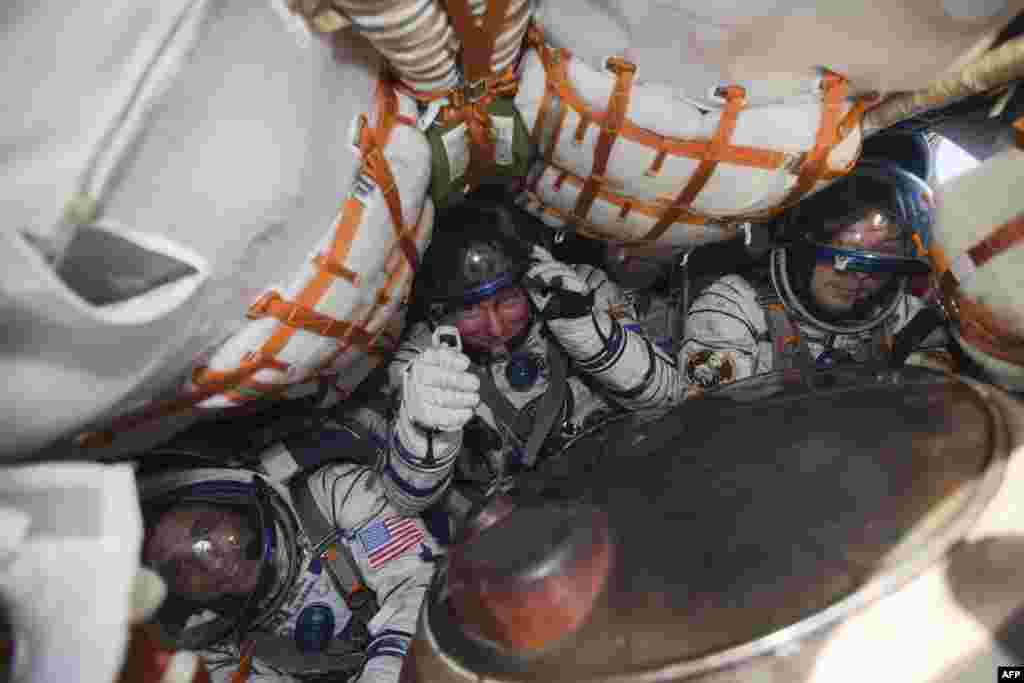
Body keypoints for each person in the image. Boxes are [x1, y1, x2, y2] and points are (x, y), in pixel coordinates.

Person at [371, 201, 691, 514]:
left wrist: (588, 335)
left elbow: (673, 399)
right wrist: (425, 436)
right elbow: (405, 502)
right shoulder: (421, 364)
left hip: (633, 478)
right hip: (528, 529)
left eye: (508, 299)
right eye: (469, 309)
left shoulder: (579, 291)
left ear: (529, 281)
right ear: (438, 312)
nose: (495, 327)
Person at [138, 448, 440, 683]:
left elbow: (416, 579)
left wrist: (388, 668)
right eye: (181, 568)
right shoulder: (214, 653)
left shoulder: (333, 497)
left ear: (231, 507)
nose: (210, 561)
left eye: (204, 533)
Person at [680, 157, 940, 389]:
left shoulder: (902, 316)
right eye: (844, 255)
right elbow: (715, 417)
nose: (860, 277)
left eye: (880, 264)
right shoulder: (734, 307)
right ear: (803, 251)